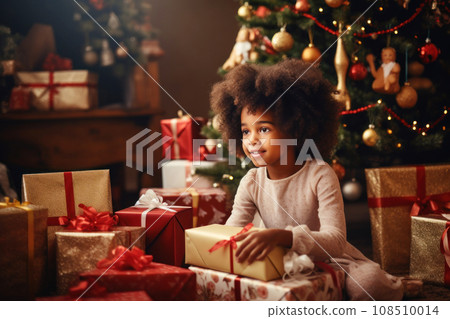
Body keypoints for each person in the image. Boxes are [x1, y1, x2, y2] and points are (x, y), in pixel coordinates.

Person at [210, 59, 403, 301]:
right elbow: (232, 231)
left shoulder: (320, 174)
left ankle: (397, 285)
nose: (251, 141)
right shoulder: (251, 181)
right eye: (246, 131)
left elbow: (335, 241)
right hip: (280, 260)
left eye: (264, 129)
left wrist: (284, 236)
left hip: (331, 259)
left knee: (368, 284)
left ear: (295, 128)